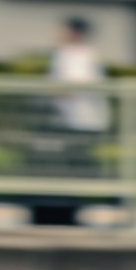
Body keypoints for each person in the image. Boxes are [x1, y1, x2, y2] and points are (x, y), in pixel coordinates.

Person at [29, 18, 107, 227]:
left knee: (72, 170)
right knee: (68, 171)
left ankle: (65, 215)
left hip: (79, 123)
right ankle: (60, 214)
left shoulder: (80, 55)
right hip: (69, 122)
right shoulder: (68, 54)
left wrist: (54, 93)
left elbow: (73, 86)